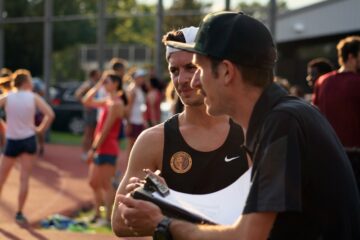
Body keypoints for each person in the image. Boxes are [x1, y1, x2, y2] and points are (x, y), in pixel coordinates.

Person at [117, 12, 360, 240]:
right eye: (177, 70)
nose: (193, 82)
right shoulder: (283, 116)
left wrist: (163, 223)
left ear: (226, 72)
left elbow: (246, 236)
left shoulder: (280, 123)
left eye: (197, 68)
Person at [112, 26, 249, 238]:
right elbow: (119, 223)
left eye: (191, 67)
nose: (182, 79)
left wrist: (167, 210)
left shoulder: (249, 133)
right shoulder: (154, 140)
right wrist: (147, 199)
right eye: (174, 71)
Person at [0, 69, 54, 224]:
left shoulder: (7, 97)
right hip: (29, 140)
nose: (32, 83)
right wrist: (40, 130)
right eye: (30, 80)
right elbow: (50, 114)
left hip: (12, 140)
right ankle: (19, 213)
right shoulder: (33, 97)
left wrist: (3, 125)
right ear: (25, 82)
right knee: (24, 178)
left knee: (2, 178)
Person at [312, 36, 360, 194]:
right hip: (354, 157)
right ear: (352, 56)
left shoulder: (322, 81)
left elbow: (315, 114)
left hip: (327, 156)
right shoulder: (356, 82)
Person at [82, 70, 127, 226]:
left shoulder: (116, 104)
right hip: (100, 147)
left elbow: (105, 130)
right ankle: (97, 214)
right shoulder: (107, 100)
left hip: (107, 147)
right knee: (93, 182)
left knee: (107, 184)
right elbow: (86, 101)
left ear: (115, 84)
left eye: (106, 81)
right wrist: (98, 85)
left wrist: (93, 149)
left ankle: (108, 218)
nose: (104, 84)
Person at [75, 69, 101, 161]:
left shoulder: (97, 84)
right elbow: (78, 94)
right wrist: (85, 104)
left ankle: (90, 153)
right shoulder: (88, 84)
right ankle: (84, 153)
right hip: (90, 112)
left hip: (96, 111)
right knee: (88, 133)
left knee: (94, 133)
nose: (99, 75)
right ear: (93, 75)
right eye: (98, 74)